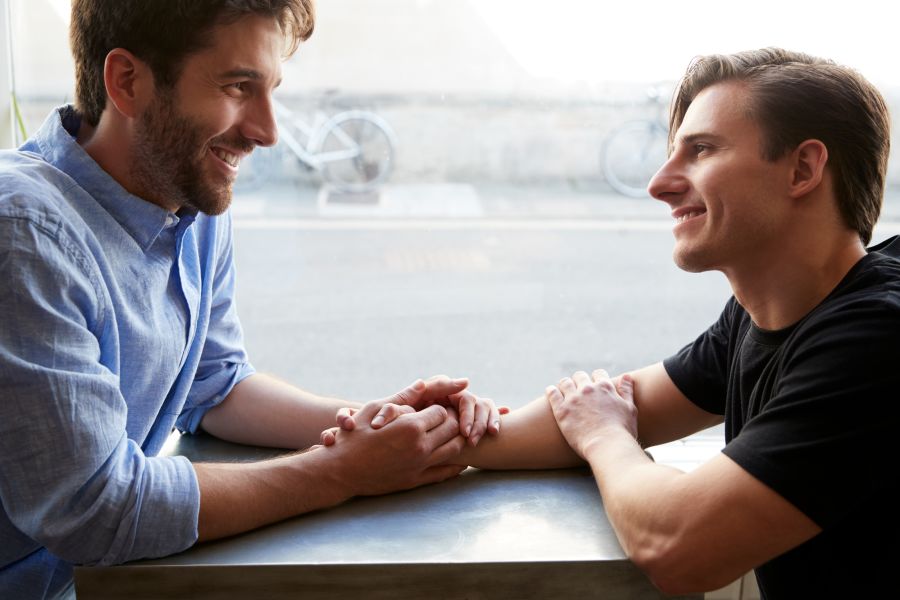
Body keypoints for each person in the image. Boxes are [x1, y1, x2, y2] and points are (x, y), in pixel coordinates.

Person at [332, 48, 899, 599]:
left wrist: (604, 435)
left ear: (803, 168)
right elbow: (615, 406)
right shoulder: (772, 310)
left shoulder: (875, 338)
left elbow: (681, 547)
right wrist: (431, 429)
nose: (659, 183)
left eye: (700, 150)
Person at [0, 2, 503, 598]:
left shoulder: (186, 192)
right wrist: (341, 471)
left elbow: (218, 385)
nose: (268, 131)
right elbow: (93, 509)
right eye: (239, 87)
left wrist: (384, 426)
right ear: (127, 82)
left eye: (272, 90)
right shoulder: (25, 233)